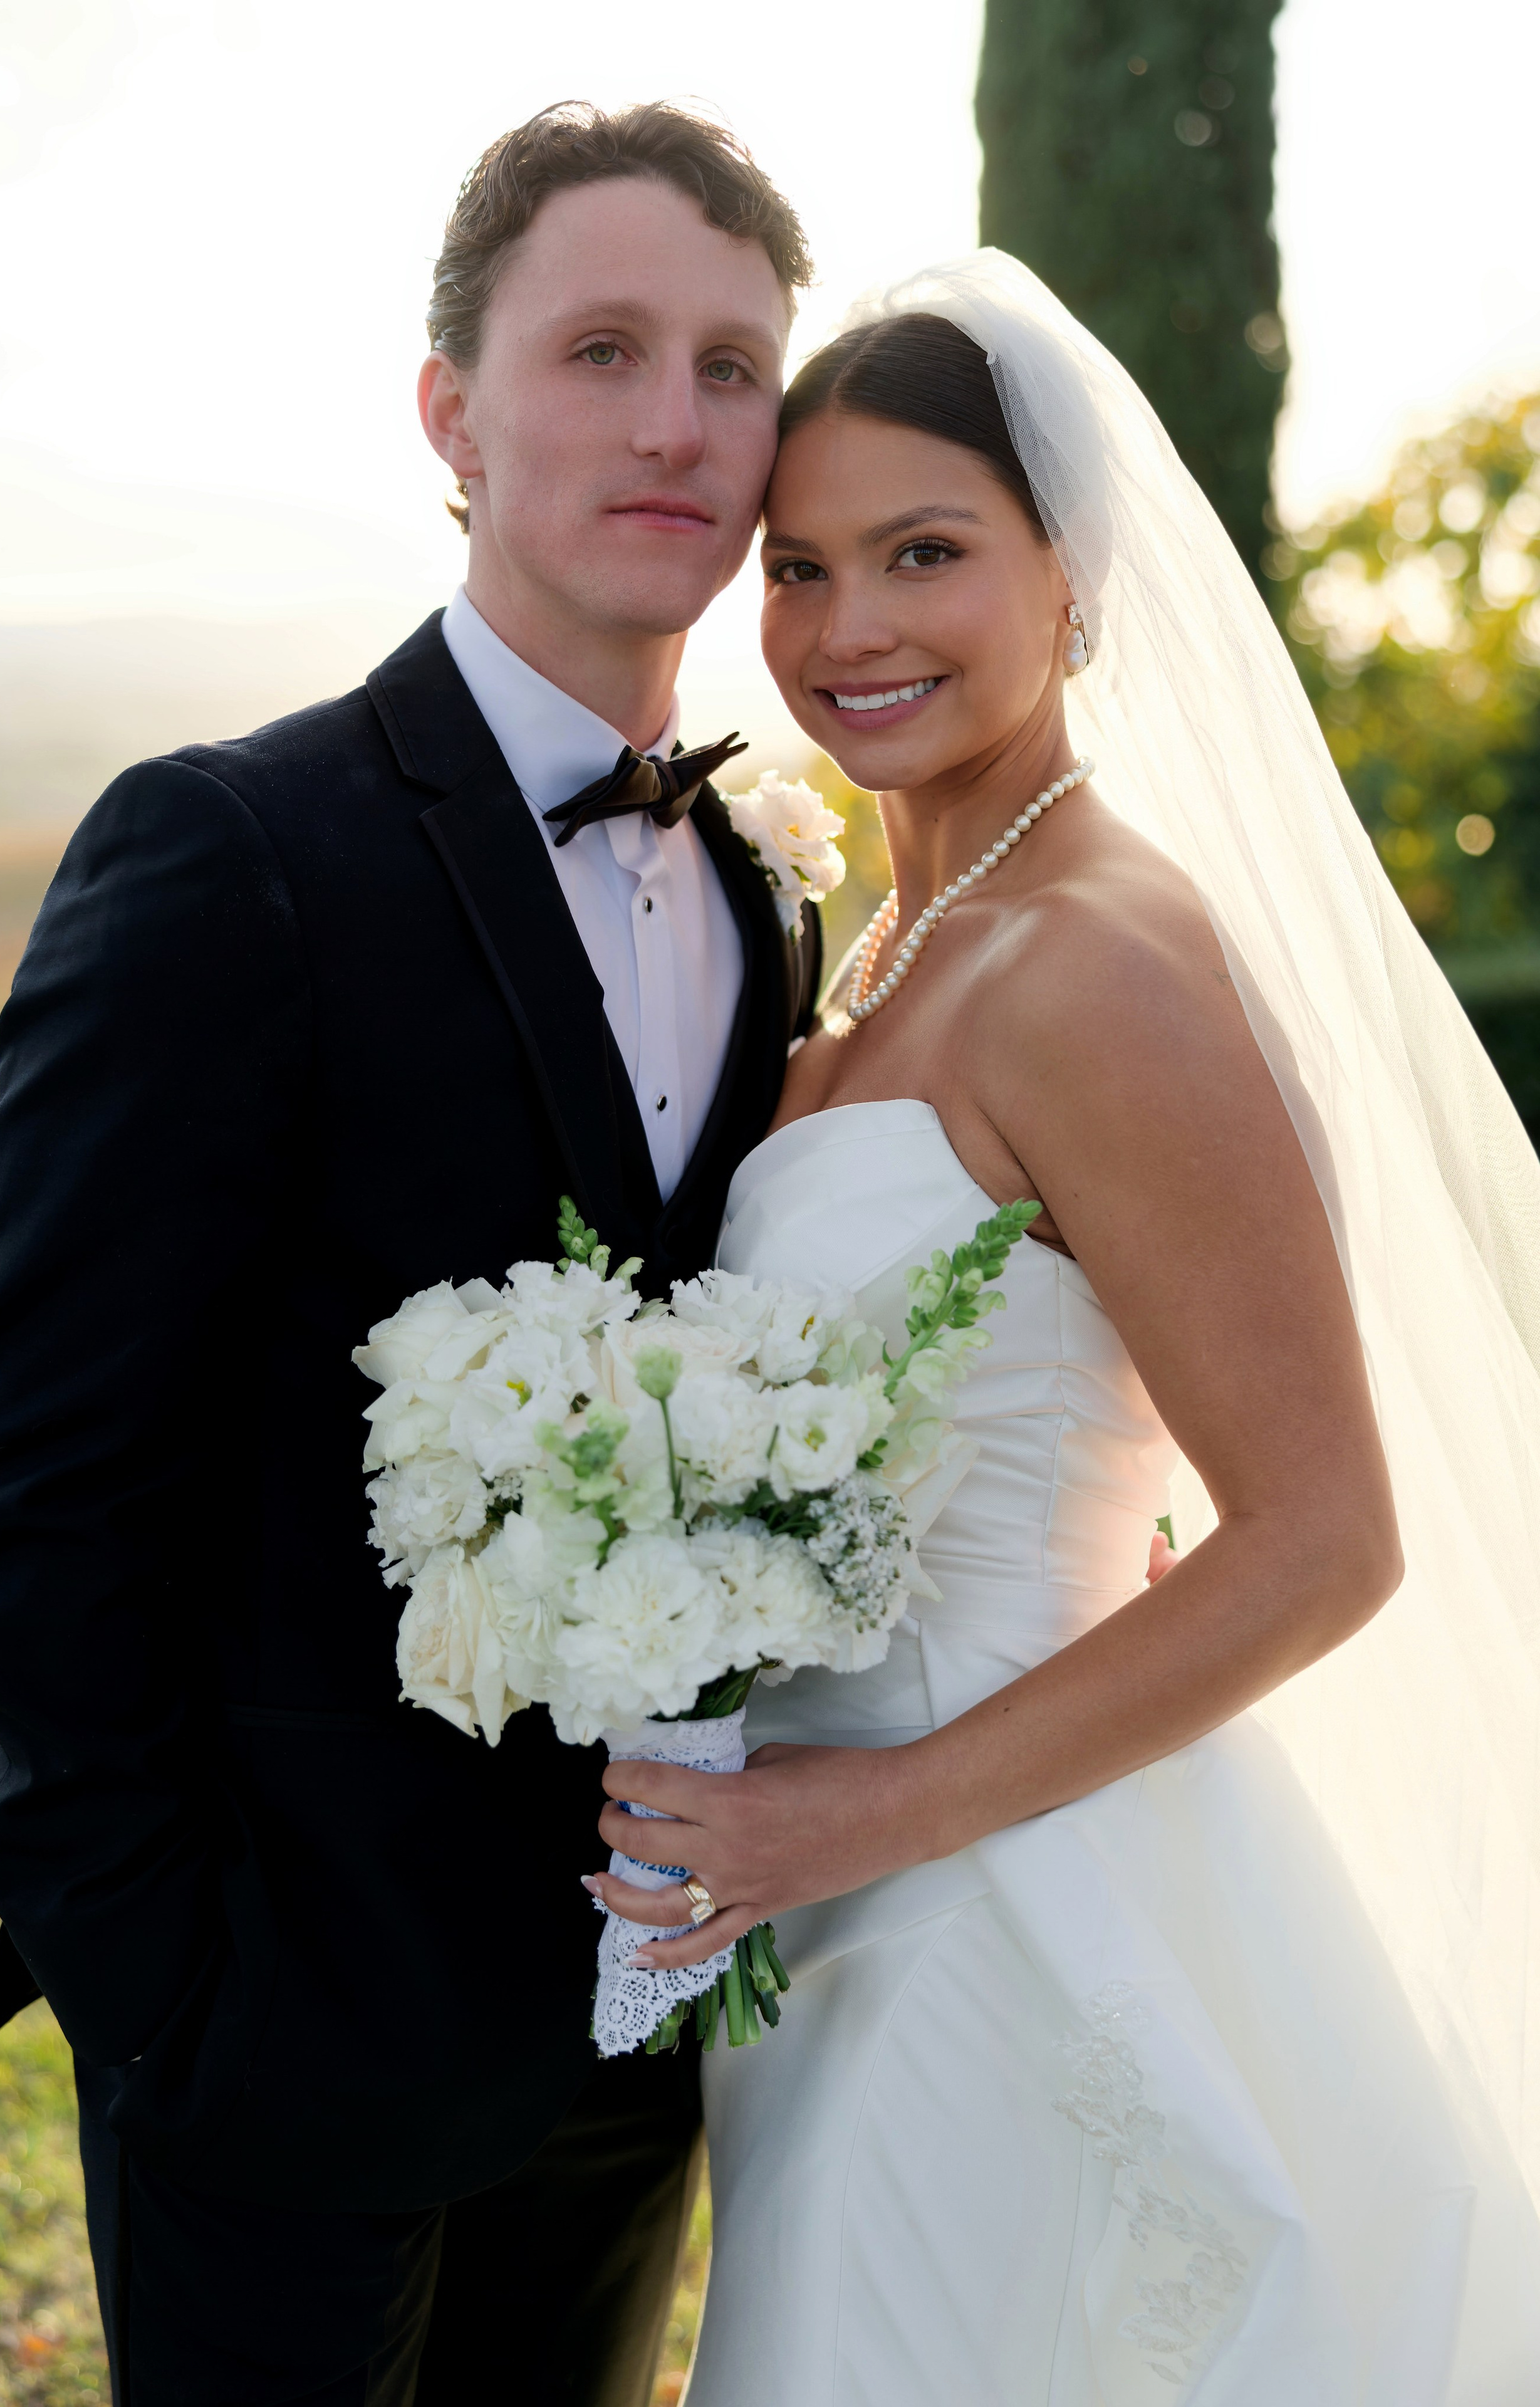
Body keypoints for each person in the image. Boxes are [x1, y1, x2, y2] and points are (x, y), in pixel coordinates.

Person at [589, 259, 1540, 2401]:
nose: (851, 632)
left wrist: (858, 1815)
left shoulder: (1094, 958)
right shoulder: (883, 949)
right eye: (806, 566)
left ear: (1073, 573)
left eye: (928, 555)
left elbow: (1324, 1537)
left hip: (998, 1915)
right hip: (826, 1916)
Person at [0, 102, 818, 2407]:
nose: (675, 420)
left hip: (628, 2048)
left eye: (734, 366)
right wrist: (172, 1993)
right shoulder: (226, 851)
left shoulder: (777, 900)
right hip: (278, 2047)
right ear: (452, 408)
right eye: (604, 346)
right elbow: (36, 1481)